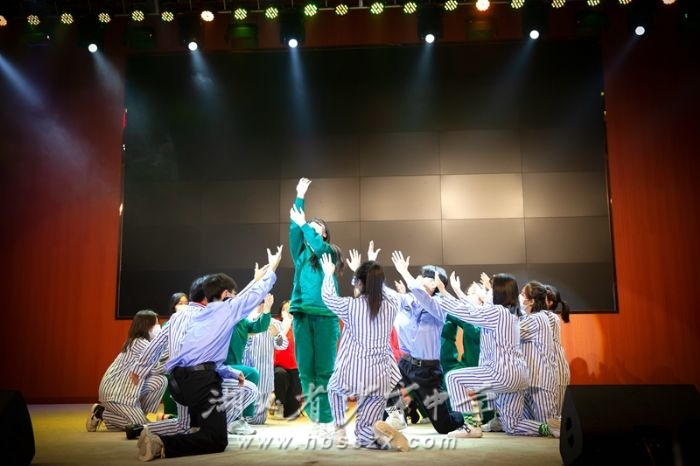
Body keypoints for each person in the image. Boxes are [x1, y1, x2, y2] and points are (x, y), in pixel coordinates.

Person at [136, 245, 283, 461]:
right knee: (217, 440)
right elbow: (252, 296)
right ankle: (161, 443)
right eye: (233, 294)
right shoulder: (225, 310)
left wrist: (230, 372)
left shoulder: (198, 315)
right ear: (225, 294)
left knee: (195, 425)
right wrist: (272, 268)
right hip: (201, 382)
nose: (236, 298)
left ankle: (158, 433)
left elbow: (203, 355)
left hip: (179, 382)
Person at [407, 262, 560, 439]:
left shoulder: (497, 313)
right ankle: (549, 428)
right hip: (519, 376)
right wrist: (452, 291)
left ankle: (471, 426)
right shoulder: (513, 314)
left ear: (499, 292)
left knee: (454, 378)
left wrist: (442, 291)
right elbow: (473, 309)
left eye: (491, 289)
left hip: (502, 373)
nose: (488, 292)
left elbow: (465, 312)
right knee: (513, 425)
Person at [129, 277, 258, 440]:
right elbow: (208, 358)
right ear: (206, 297)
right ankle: (213, 427)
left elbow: (156, 345)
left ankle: (140, 429)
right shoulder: (208, 317)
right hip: (199, 381)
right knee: (249, 390)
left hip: (176, 383)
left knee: (183, 425)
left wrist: (138, 370)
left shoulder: (176, 317)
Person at [320, 251, 409, 451]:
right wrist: (367, 275)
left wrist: (328, 274)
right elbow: (384, 291)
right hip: (381, 378)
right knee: (364, 433)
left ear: (359, 283)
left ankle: (340, 429)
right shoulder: (392, 305)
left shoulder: (351, 306)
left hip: (352, 374)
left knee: (333, 388)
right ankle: (378, 437)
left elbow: (328, 297)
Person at [387, 251, 470, 437]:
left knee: (443, 425)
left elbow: (424, 297)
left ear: (434, 284)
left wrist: (404, 272)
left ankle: (462, 418)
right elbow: (387, 293)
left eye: (424, 276)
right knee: (384, 378)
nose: (419, 277)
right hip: (405, 364)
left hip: (427, 371)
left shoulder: (440, 304)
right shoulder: (409, 300)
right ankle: (395, 417)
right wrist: (369, 269)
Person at [288, 177, 344, 435]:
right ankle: (317, 420)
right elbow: (295, 228)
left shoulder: (329, 251)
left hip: (326, 316)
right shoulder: (300, 254)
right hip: (301, 315)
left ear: (324, 233)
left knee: (325, 370)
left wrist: (304, 224)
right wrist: (300, 196)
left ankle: (327, 418)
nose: (310, 227)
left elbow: (319, 247)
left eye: (316, 226)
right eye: (308, 225)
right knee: (306, 371)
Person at [86, 310, 167, 432]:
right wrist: (175, 359)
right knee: (139, 426)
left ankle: (136, 416)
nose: (158, 326)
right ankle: (101, 412)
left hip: (128, 389)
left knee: (160, 381)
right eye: (155, 324)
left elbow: (159, 361)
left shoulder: (146, 343)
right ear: (146, 326)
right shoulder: (139, 343)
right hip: (115, 391)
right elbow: (156, 368)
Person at [242, 293, 289, 424]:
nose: (260, 306)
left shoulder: (274, 324)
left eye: (263, 303)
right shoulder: (245, 322)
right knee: (243, 411)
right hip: (245, 372)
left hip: (264, 374)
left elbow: (283, 345)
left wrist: (277, 334)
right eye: (257, 303)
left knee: (258, 419)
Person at [519, 281, 558, 424]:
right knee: (534, 428)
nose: (519, 297)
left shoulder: (537, 319)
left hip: (541, 382)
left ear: (531, 301)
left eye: (522, 294)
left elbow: (508, 332)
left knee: (548, 426)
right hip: (531, 381)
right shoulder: (529, 317)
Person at [272, 300, 303, 419]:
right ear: (281, 312)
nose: (288, 312)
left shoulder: (300, 327)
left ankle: (291, 405)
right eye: (285, 309)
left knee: (291, 413)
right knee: (280, 375)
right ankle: (278, 402)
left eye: (291, 309)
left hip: (295, 367)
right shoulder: (277, 327)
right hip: (278, 366)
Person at [544, 284, 571, 417]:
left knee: (556, 418)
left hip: (556, 371)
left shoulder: (548, 316)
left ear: (549, 303)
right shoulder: (544, 316)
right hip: (551, 371)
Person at [161, 292, 188, 419]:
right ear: (173, 306)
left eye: (186, 303)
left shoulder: (192, 323)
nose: (184, 306)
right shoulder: (167, 325)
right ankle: (168, 418)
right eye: (180, 303)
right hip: (171, 368)